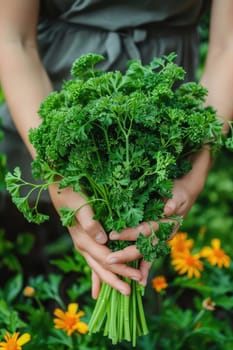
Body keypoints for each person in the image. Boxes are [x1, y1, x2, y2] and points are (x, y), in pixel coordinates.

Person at [0, 0, 233, 299]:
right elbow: (12, 38)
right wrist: (57, 178)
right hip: (40, 119)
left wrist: (193, 177)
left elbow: (228, 46)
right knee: (31, 289)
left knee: (139, 279)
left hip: (162, 145)